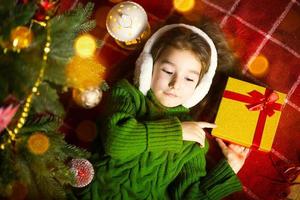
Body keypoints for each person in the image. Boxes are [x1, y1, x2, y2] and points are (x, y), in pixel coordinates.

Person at [78, 23, 249, 200]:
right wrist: (177, 132)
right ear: (147, 67)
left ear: (199, 88)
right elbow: (116, 142)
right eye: (168, 71)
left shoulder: (194, 142)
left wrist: (229, 168)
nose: (175, 84)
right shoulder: (127, 95)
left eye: (189, 79)